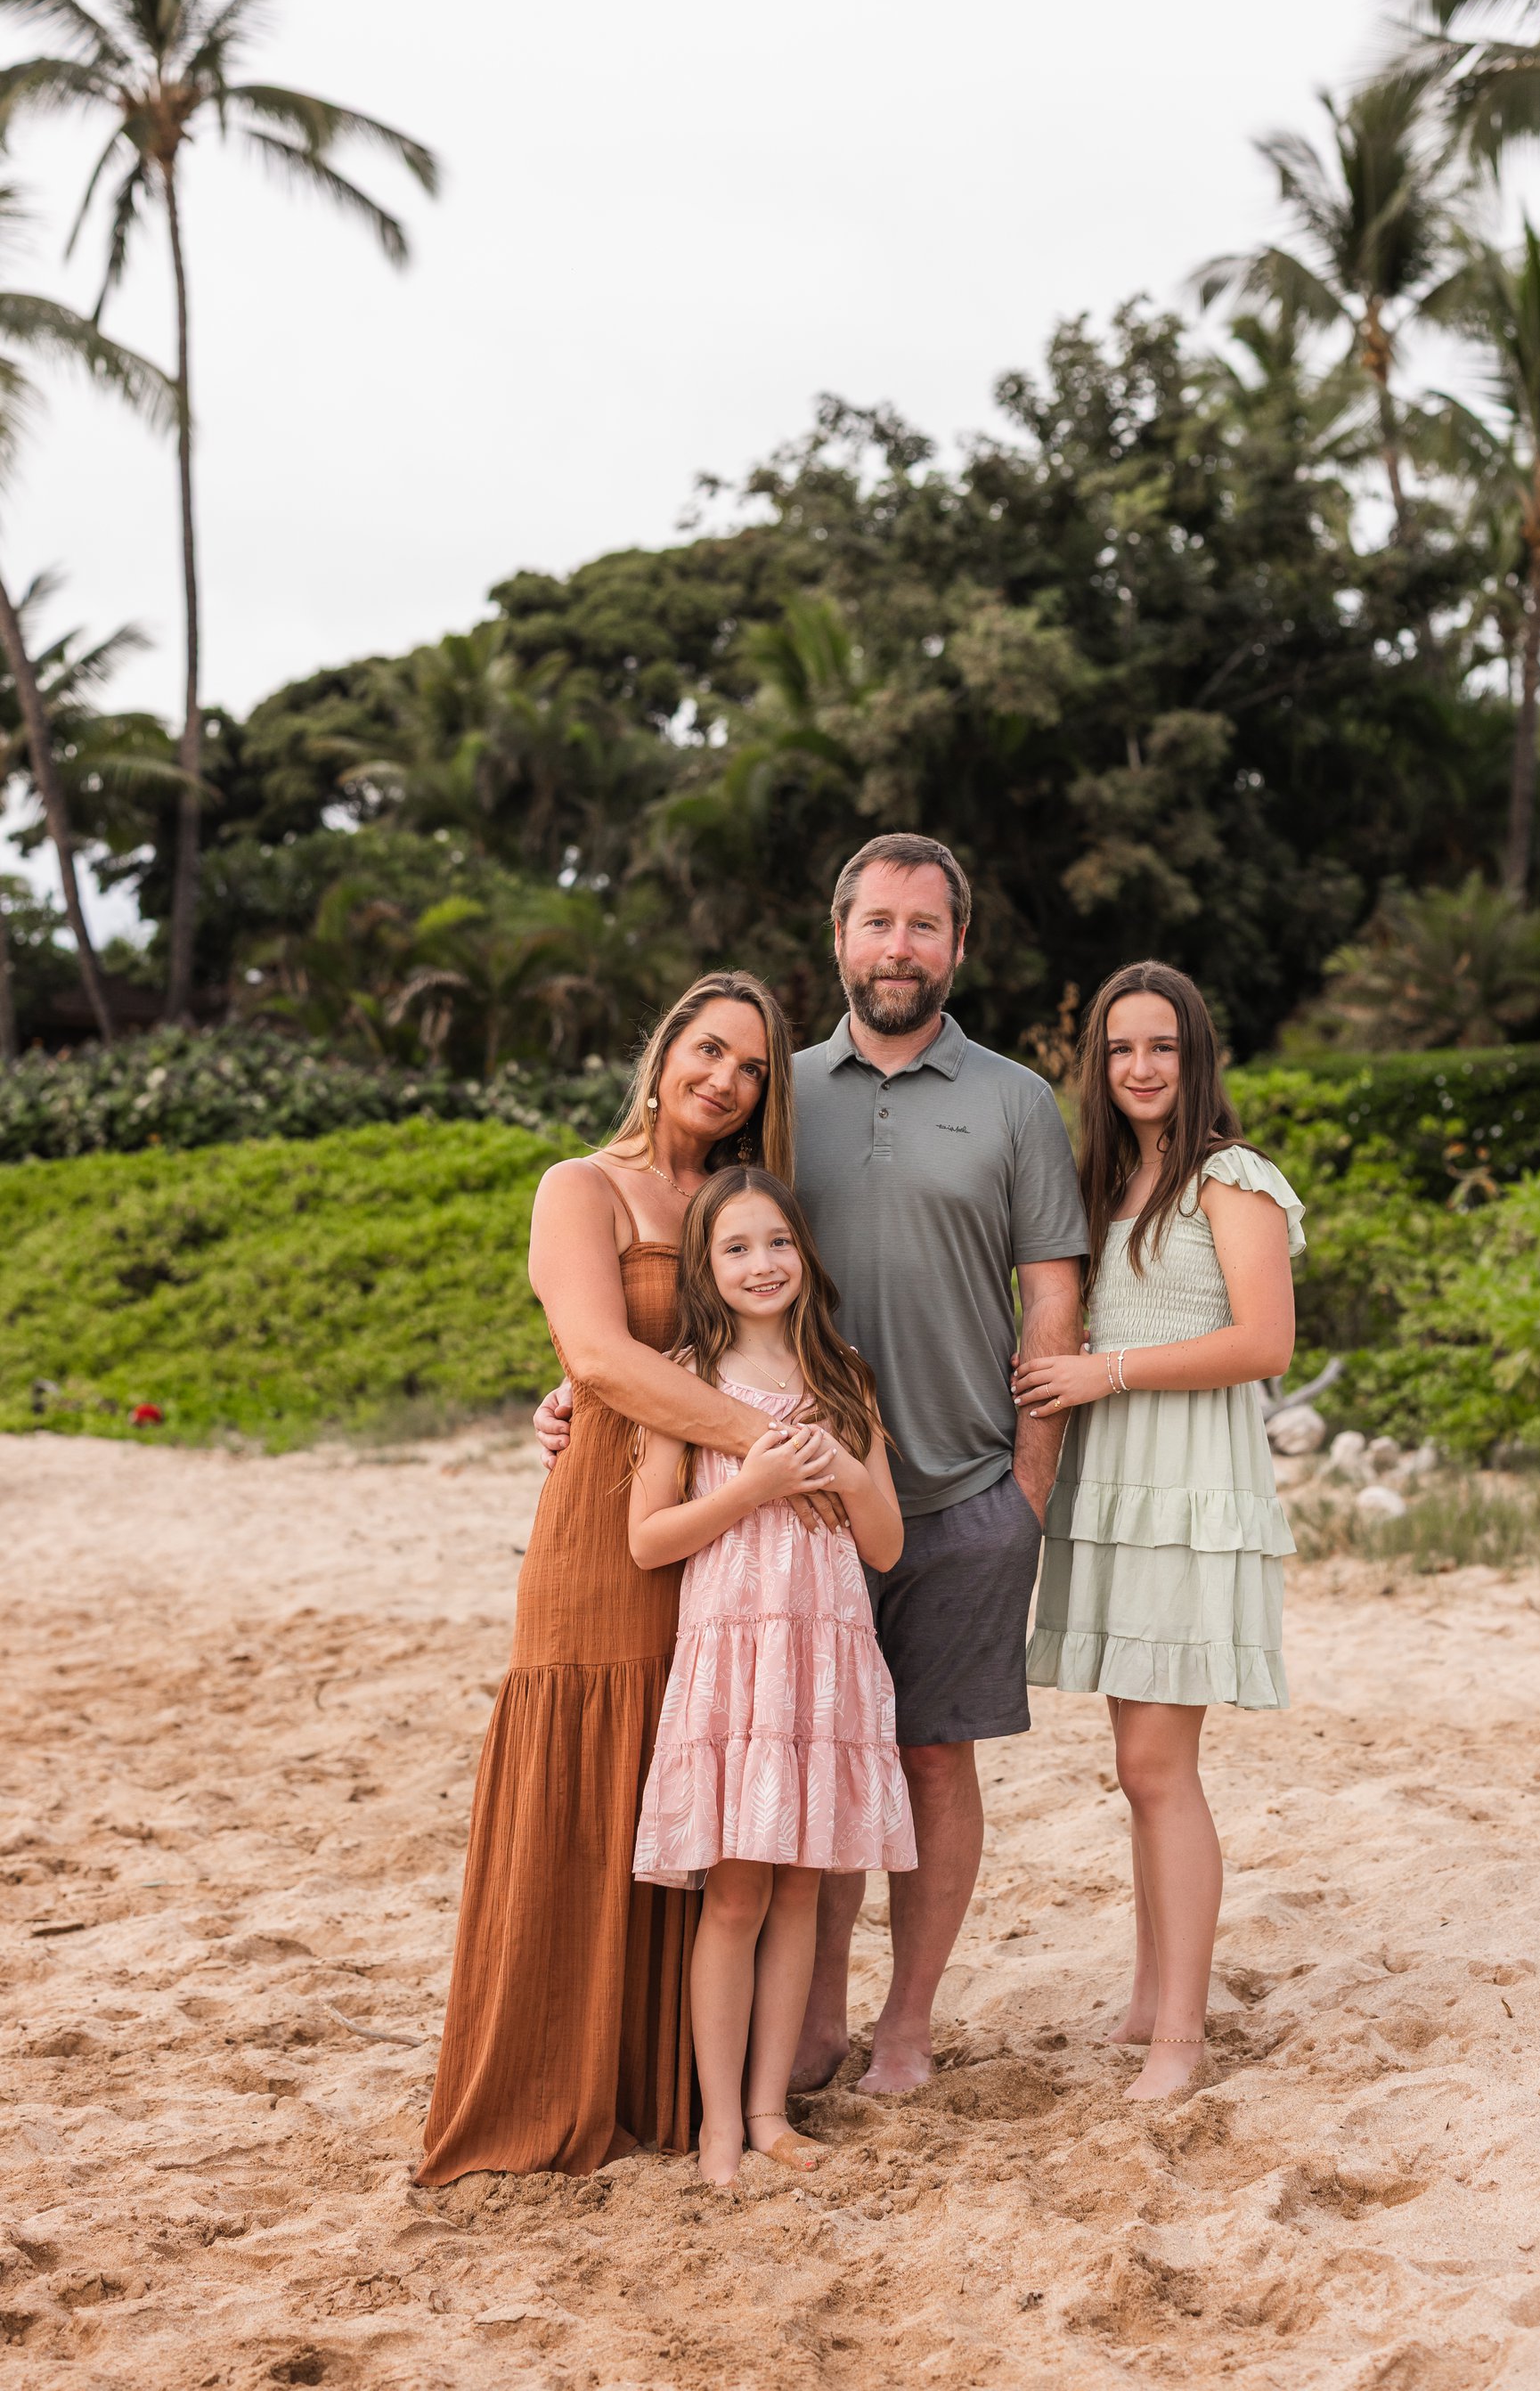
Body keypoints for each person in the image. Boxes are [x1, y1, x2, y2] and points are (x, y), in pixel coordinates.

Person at [539, 833, 1088, 2096]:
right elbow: (696, 1262)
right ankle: (816, 2022)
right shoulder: (779, 1098)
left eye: (924, 925)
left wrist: (1028, 1491)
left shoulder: (1016, 1100)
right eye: (877, 923)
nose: (899, 947)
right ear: (839, 939)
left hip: (959, 1492)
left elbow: (1053, 1299)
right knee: (816, 1757)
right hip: (783, 1517)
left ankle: (907, 2025)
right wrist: (584, 1379)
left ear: (959, 945)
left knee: (932, 1760)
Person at [416, 970, 844, 2184]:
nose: (726, 1080)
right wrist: (758, 1443)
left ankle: (681, 2093)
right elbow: (600, 1355)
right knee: (590, 1777)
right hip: (614, 1525)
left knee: (702, 1801)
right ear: (662, 1053)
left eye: (752, 1068)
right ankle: (556, 2079)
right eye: (709, 1050)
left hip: (735, 1548)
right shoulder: (581, 1186)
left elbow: (757, 1339)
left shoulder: (743, 1205)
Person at [1014, 961, 1302, 2103]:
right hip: (1117, 1489)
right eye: (1122, 1048)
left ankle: (1182, 2034)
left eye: (1163, 1047)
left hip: (1187, 1491)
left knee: (1156, 1766)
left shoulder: (1230, 1177)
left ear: (1196, 1057)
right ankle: (1147, 1999)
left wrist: (1109, 1371)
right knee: (1136, 1769)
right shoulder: (1099, 1187)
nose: (1141, 1068)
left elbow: (1265, 1343)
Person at [628, 1167, 913, 2188]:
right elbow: (649, 1539)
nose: (762, 1264)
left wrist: (844, 1469)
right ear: (706, 1268)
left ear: (806, 1252)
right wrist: (750, 1486)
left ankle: (767, 2113)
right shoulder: (686, 1379)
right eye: (737, 1248)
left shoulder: (844, 1376)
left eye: (778, 1242)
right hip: (738, 1659)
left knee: (801, 1893)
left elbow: (885, 1545)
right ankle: (717, 2126)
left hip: (823, 1662)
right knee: (738, 1894)